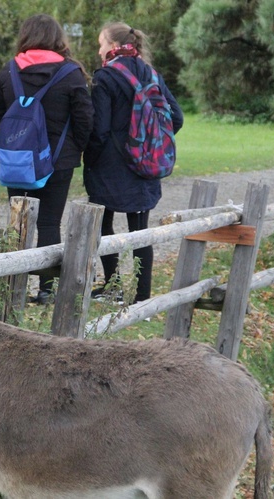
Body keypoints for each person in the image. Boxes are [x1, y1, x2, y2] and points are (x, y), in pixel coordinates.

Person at [0, 14, 94, 305]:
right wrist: (73, 148)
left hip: (17, 160)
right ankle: (46, 288)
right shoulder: (71, 73)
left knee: (18, 221)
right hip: (58, 163)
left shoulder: (9, 71)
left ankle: (11, 287)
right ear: (57, 39)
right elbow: (85, 118)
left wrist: (16, 140)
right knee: (49, 223)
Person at [83, 22, 184, 303]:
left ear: (113, 47)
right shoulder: (150, 73)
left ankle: (112, 287)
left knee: (104, 227)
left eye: (101, 43)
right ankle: (142, 296)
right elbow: (176, 117)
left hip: (110, 168)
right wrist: (152, 143)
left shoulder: (105, 77)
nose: (99, 49)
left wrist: (89, 158)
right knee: (141, 231)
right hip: (144, 168)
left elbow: (100, 129)